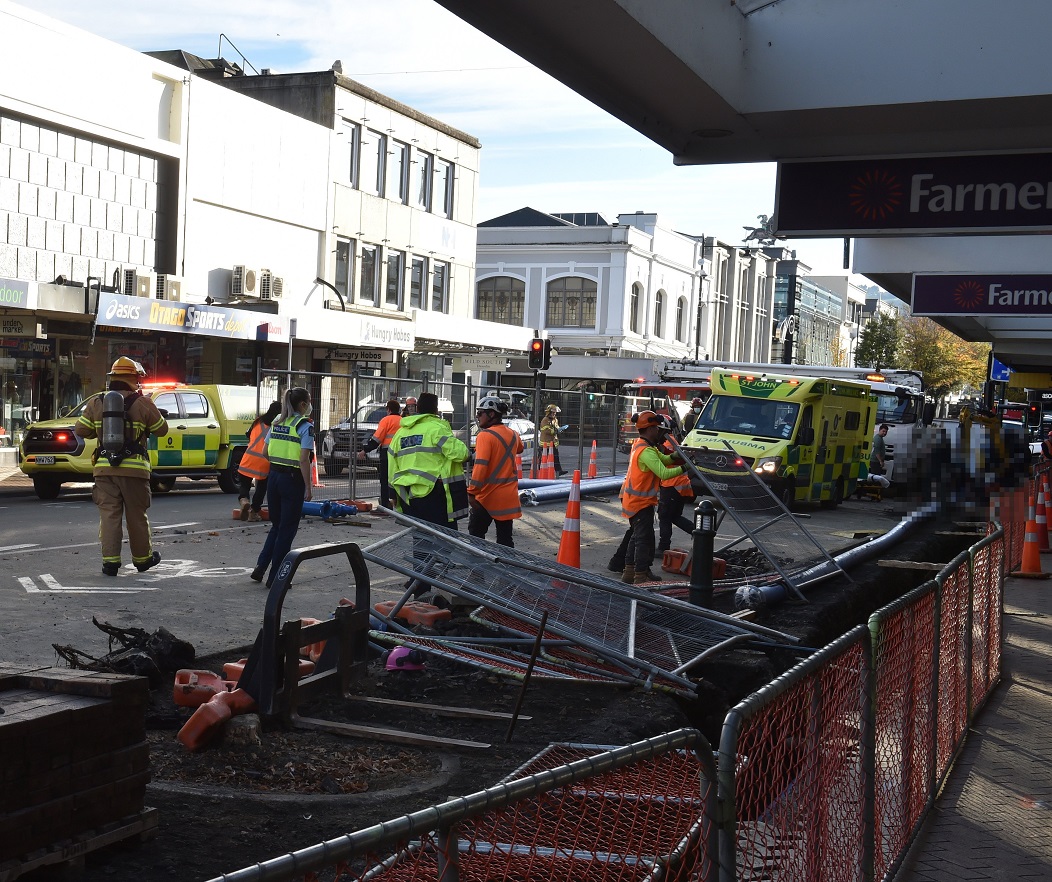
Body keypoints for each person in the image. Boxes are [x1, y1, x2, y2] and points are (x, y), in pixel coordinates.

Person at [74, 357, 168, 576]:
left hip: (104, 470)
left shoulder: (97, 402)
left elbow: (81, 430)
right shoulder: (143, 402)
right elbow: (161, 430)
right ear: (134, 379)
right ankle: (143, 559)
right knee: (136, 516)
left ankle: (110, 563)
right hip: (135, 471)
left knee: (109, 516)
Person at [251, 387, 314, 588]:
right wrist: (308, 487)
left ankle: (261, 567)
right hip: (292, 480)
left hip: (274, 478)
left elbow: (265, 452)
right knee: (287, 530)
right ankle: (277, 578)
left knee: (277, 526)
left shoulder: (278, 421)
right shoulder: (304, 426)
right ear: (303, 404)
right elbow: (304, 460)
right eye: (309, 402)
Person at [620, 410, 686, 584]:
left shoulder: (642, 445)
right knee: (644, 539)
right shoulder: (647, 451)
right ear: (649, 429)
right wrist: (686, 468)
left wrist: (677, 456)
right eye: (656, 428)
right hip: (640, 503)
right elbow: (663, 473)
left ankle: (629, 572)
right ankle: (640, 575)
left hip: (635, 501)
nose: (659, 431)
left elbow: (663, 460)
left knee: (636, 536)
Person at [390, 391, 469, 529]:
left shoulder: (400, 433)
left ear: (418, 409)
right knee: (443, 540)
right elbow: (461, 454)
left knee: (420, 539)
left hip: (409, 494)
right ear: (436, 410)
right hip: (435, 494)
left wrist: (393, 493)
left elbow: (392, 465)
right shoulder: (437, 429)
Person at [467, 396, 524, 547]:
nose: (478, 417)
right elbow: (520, 448)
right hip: (507, 497)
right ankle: (506, 569)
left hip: (487, 497)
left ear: (491, 414)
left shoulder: (485, 436)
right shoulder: (513, 434)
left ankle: (478, 569)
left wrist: (472, 492)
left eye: (480, 413)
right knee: (505, 539)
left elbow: (480, 466)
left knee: (476, 536)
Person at [237, 401, 281, 522]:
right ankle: (253, 512)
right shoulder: (277, 426)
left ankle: (244, 500)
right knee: (261, 489)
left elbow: (248, 434)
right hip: (264, 461)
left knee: (244, 484)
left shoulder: (257, 421)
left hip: (248, 459)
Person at [657, 419, 695, 552]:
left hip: (672, 483)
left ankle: (663, 548)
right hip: (680, 485)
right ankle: (697, 532)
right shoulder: (672, 440)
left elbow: (662, 463)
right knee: (674, 516)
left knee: (665, 515)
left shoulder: (667, 442)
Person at [359, 398, 402, 509]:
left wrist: (365, 450)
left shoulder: (386, 420)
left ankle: (385, 506)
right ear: (399, 410)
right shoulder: (403, 421)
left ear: (388, 410)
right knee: (399, 479)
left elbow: (377, 439)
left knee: (385, 480)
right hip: (402, 455)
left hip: (387, 454)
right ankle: (399, 504)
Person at [538, 404, 566, 476]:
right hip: (545, 444)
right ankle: (540, 472)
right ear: (549, 412)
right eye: (553, 413)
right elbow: (545, 430)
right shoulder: (545, 420)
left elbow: (556, 427)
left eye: (555, 413)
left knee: (556, 458)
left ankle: (559, 471)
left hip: (553, 443)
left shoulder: (555, 420)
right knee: (543, 459)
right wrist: (556, 431)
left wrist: (560, 430)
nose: (554, 414)